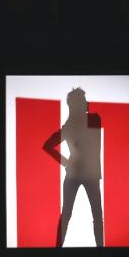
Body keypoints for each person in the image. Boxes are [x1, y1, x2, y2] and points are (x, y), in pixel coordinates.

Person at [43, 88, 104, 247]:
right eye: (83, 100)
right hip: (88, 174)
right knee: (94, 216)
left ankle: (58, 250)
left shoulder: (74, 125)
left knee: (69, 214)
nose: (87, 102)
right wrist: (66, 162)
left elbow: (48, 145)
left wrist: (67, 163)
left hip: (80, 173)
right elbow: (48, 145)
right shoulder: (90, 120)